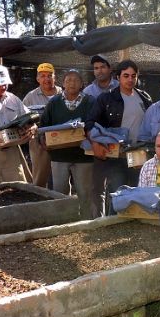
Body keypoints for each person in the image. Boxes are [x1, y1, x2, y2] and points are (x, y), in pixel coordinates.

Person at [88, 60, 152, 217]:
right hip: (116, 154)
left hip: (138, 153)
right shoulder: (106, 99)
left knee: (135, 192)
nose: (130, 79)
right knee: (118, 193)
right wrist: (94, 142)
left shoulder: (144, 98)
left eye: (133, 76)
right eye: (126, 76)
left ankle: (130, 228)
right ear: (118, 77)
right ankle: (111, 225)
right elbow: (90, 122)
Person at [40, 69, 96, 218]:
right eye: (68, 80)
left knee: (85, 192)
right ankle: (64, 221)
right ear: (63, 83)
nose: (72, 83)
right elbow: (44, 125)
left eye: (76, 80)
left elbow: (96, 125)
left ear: (82, 84)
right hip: (59, 156)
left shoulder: (90, 101)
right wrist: (44, 142)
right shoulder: (54, 102)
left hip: (84, 157)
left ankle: (87, 222)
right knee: (59, 192)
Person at [22, 62, 60, 188]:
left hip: (62, 141)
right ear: (37, 79)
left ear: (55, 77)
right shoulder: (30, 97)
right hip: (38, 142)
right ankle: (39, 204)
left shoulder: (64, 94)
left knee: (61, 179)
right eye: (43, 76)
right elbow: (23, 120)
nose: (46, 79)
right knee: (39, 179)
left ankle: (62, 204)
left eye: (49, 75)